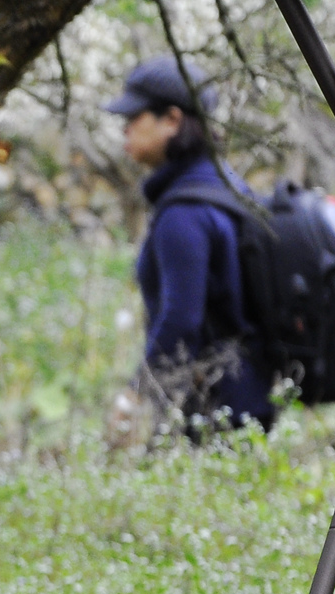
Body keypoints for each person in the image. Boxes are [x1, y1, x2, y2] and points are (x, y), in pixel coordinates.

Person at [106, 56, 275, 432]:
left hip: (220, 402)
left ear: (172, 120)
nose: (125, 130)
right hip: (249, 393)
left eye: (134, 118)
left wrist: (134, 396)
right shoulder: (223, 184)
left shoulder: (184, 212)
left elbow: (181, 320)